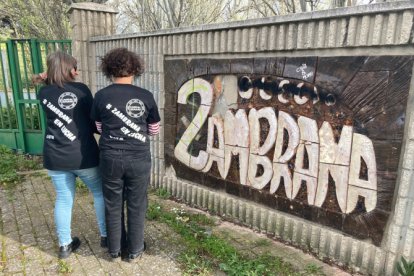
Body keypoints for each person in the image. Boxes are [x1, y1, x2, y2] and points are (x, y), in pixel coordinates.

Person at [91, 47, 160, 262]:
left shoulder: (101, 95)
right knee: (137, 203)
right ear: (135, 69)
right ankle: (135, 250)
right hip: (138, 158)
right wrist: (135, 133)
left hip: (110, 157)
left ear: (109, 69)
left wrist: (117, 133)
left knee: (112, 203)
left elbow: (99, 127)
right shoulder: (145, 96)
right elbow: (154, 129)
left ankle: (114, 250)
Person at [35, 51, 107, 259]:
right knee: (100, 193)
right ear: (69, 70)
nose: (78, 71)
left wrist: (46, 75)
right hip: (83, 155)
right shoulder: (82, 90)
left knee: (64, 199)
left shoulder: (44, 92)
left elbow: (43, 81)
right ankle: (105, 236)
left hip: (55, 156)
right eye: (75, 67)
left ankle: (65, 245)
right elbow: (94, 121)